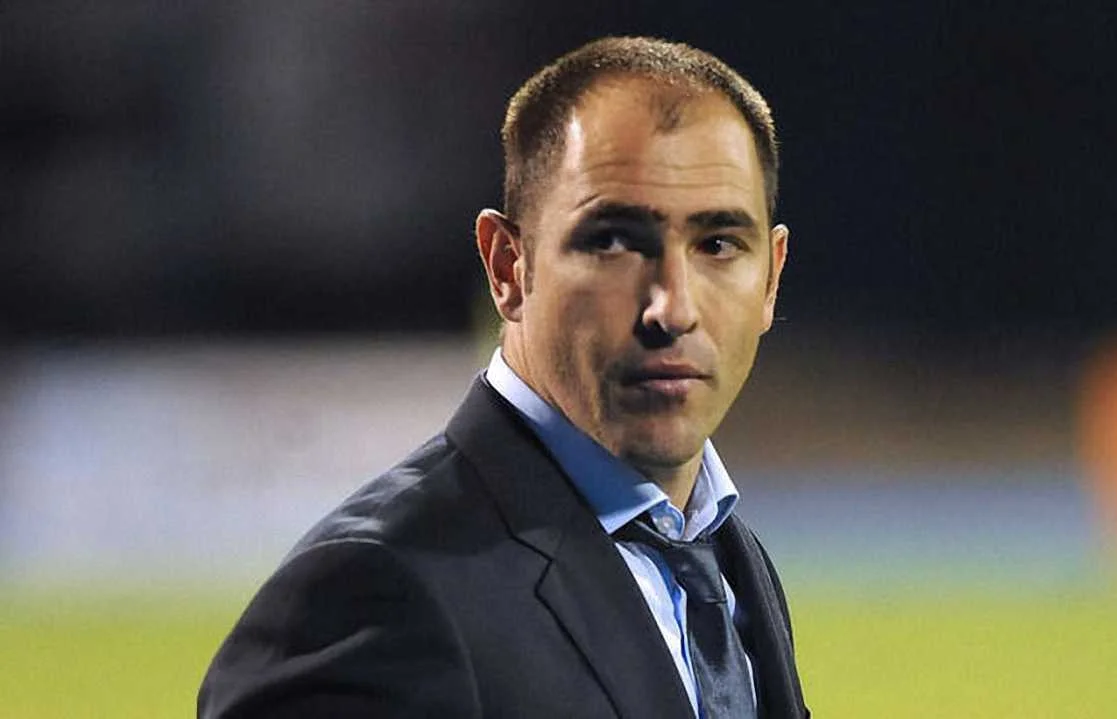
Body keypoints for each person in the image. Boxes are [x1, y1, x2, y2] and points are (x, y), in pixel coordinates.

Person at [199, 35, 810, 718]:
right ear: (507, 268)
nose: (672, 307)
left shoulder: (718, 558)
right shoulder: (374, 591)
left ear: (771, 278)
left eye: (719, 244)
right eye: (612, 241)